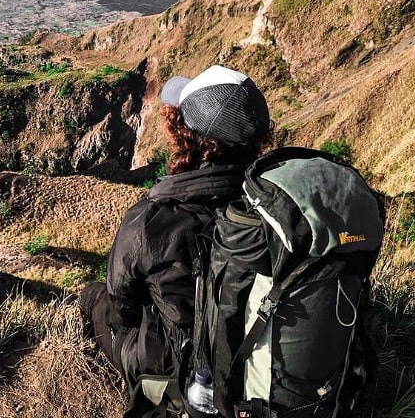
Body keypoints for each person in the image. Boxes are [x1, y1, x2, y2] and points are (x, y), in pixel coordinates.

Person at [80, 64, 273, 417]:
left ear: (186, 135)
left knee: (94, 298)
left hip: (182, 371)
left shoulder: (152, 222)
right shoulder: (277, 209)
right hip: (268, 364)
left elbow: (122, 307)